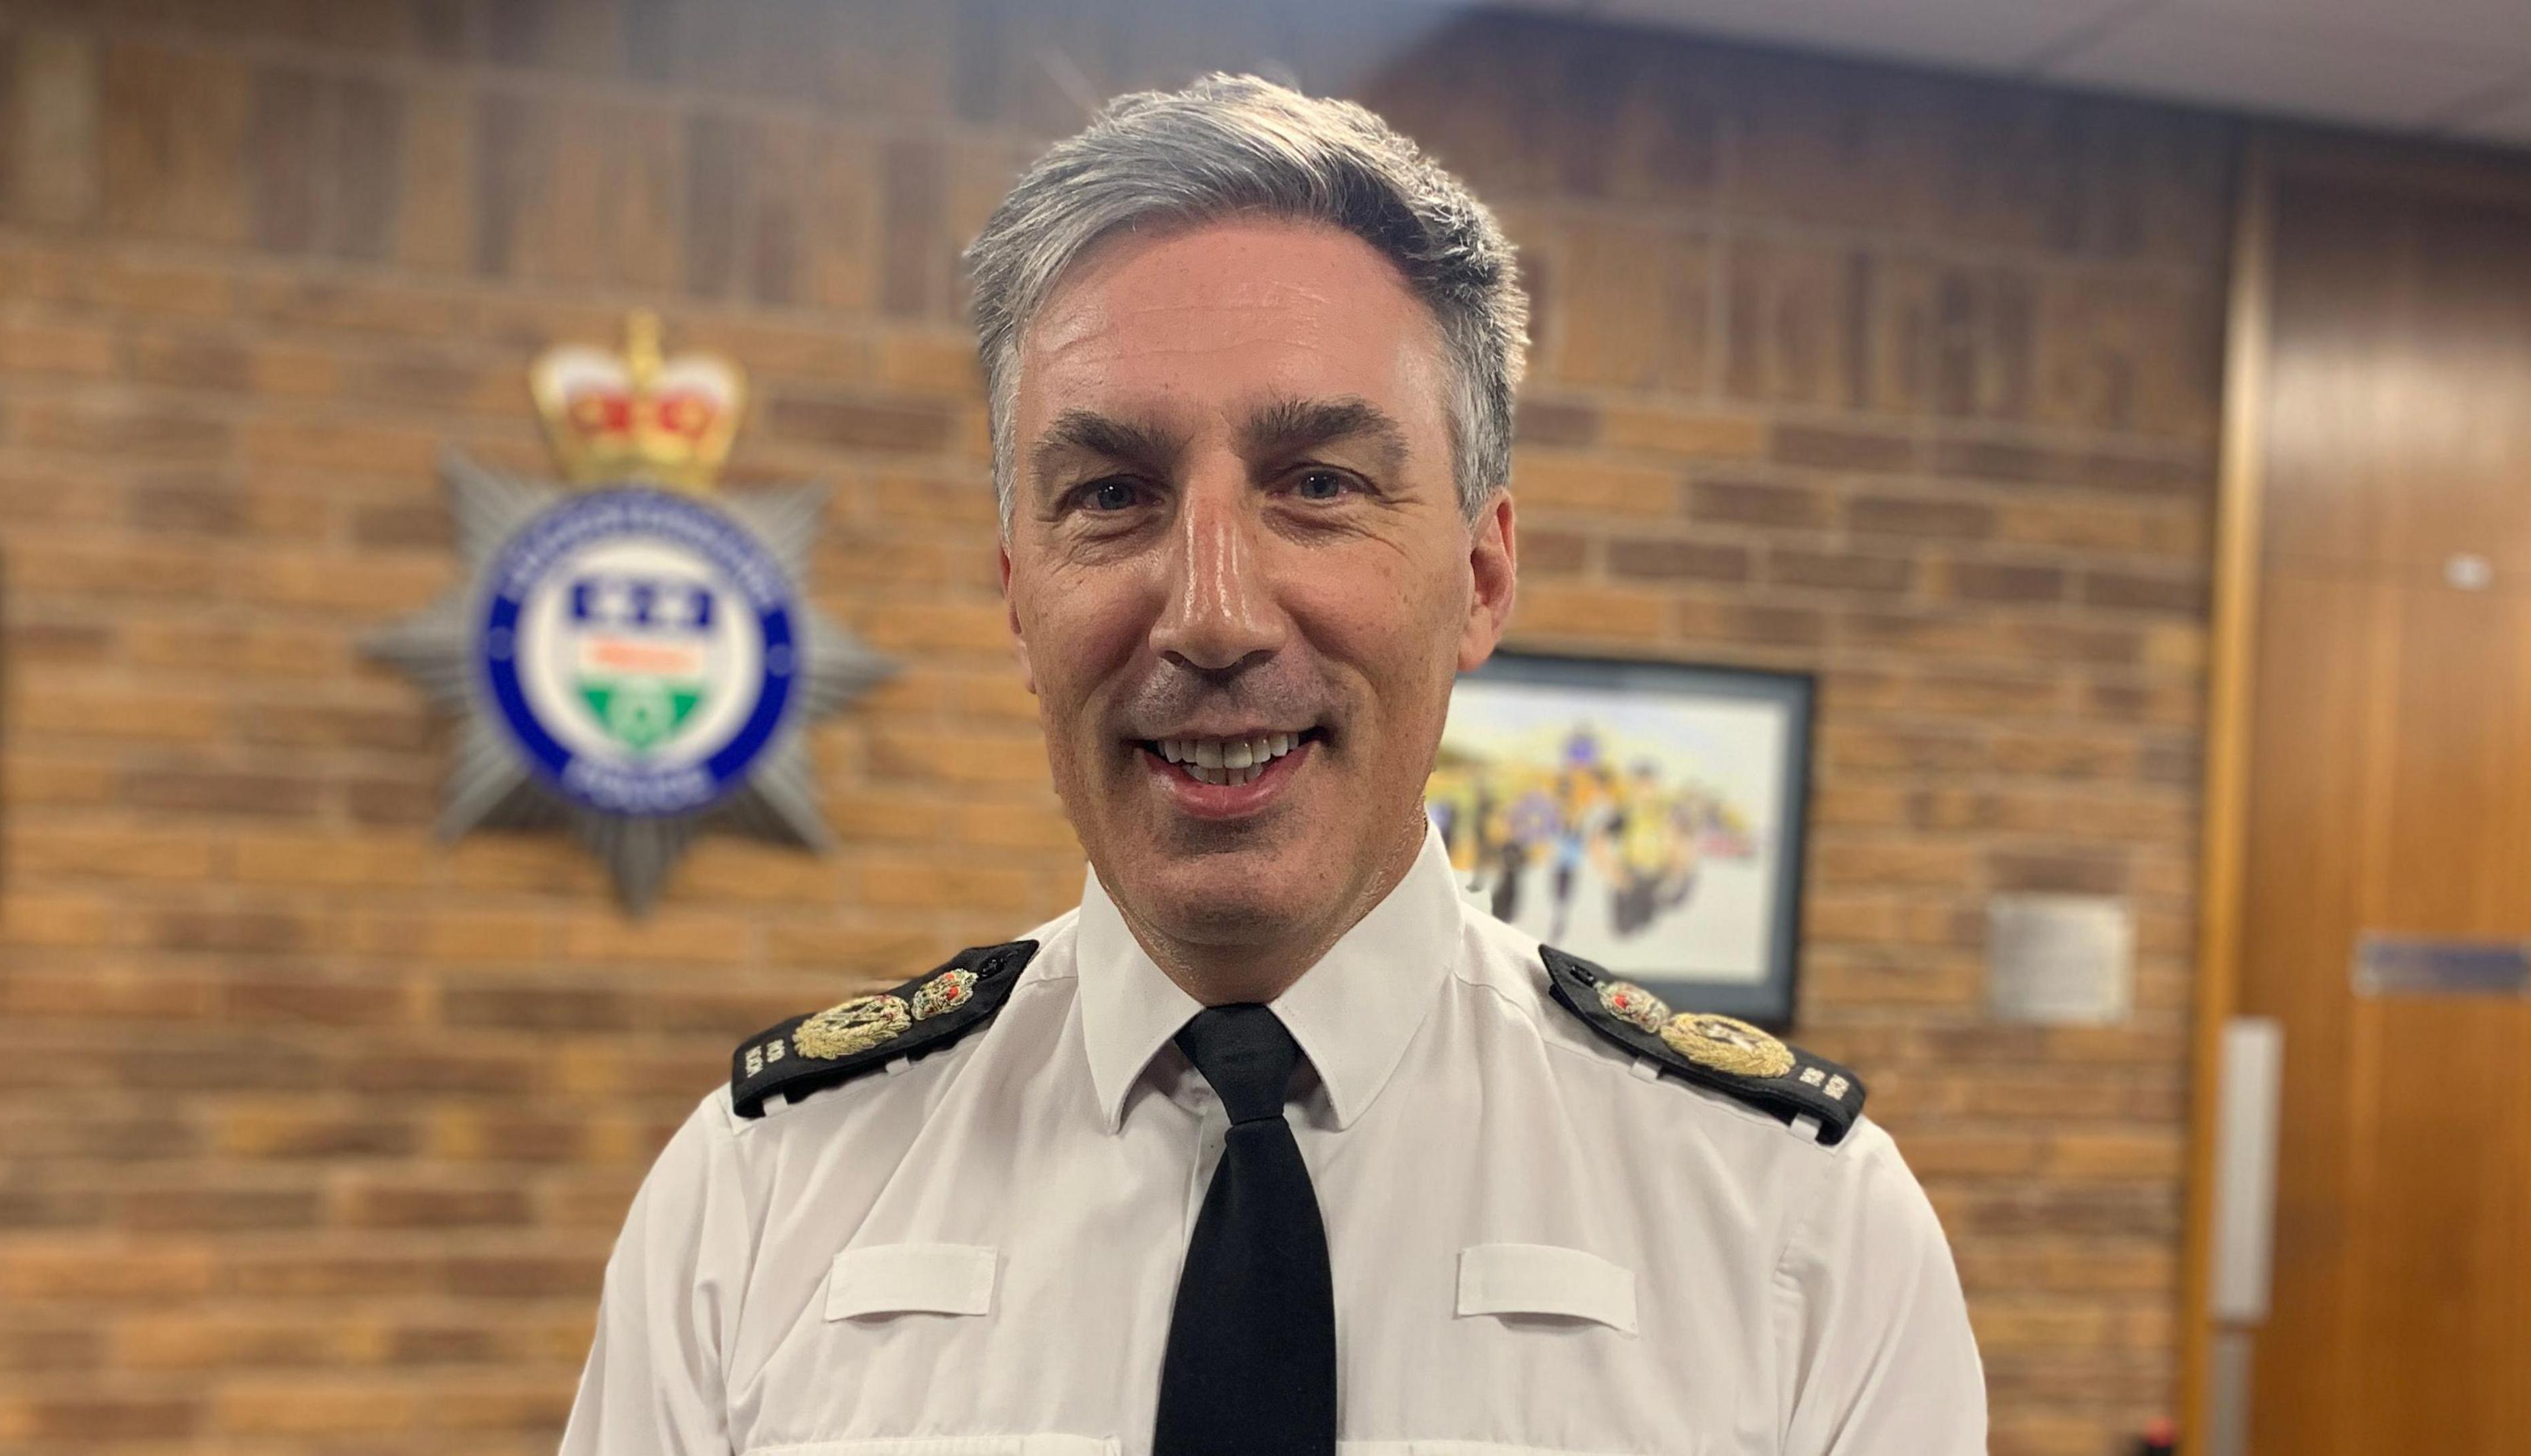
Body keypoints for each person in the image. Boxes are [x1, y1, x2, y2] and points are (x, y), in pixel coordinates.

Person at [559, 74, 1987, 1455]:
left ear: (1482, 575)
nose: (1215, 614)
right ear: (1018, 595)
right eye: (1111, 496)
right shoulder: (757, 1201)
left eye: (1319, 486)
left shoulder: (1796, 1234)